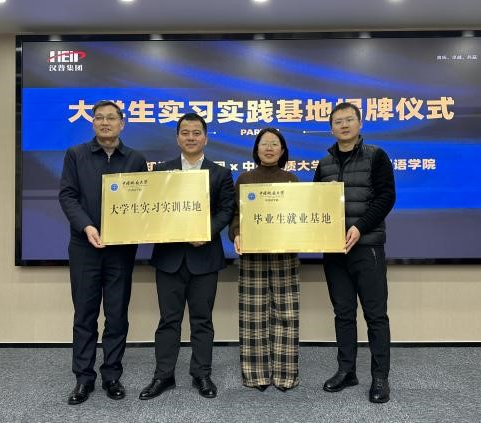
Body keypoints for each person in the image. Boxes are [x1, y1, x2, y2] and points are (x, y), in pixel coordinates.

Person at [139, 112, 235, 400]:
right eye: (185, 132)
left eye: (196, 133)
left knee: (202, 320)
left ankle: (201, 374)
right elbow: (151, 208)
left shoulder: (219, 173)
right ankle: (163, 376)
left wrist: (206, 231)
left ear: (205, 138)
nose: (190, 137)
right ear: (177, 138)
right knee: (168, 320)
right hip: (169, 258)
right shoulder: (162, 172)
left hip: (204, 257)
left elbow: (227, 210)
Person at [59, 100, 148, 405]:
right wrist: (86, 226)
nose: (105, 122)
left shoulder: (135, 159)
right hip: (84, 246)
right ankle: (83, 378)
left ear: (122, 123)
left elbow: (144, 202)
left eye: (111, 118)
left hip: (121, 250)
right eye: (99, 118)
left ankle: (111, 375)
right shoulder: (76, 154)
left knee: (117, 314)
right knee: (84, 314)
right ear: (92, 122)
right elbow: (68, 195)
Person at [313, 102, 396, 403]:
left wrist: (360, 227)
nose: (344, 125)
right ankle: (346, 370)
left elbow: (386, 197)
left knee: (376, 315)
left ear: (360, 123)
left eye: (349, 120)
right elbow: (315, 205)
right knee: (343, 313)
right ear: (331, 128)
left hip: (367, 247)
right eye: (338, 121)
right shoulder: (324, 164)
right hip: (335, 251)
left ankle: (380, 378)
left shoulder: (376, 156)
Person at [228, 128, 300, 392]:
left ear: (282, 151)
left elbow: (300, 216)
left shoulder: (292, 180)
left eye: (274, 144)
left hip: (285, 254)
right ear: (256, 150)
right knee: (253, 316)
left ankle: (285, 375)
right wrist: (237, 233)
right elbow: (235, 215)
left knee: (286, 314)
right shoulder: (245, 179)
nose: (269, 148)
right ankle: (256, 374)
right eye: (264, 144)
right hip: (253, 254)